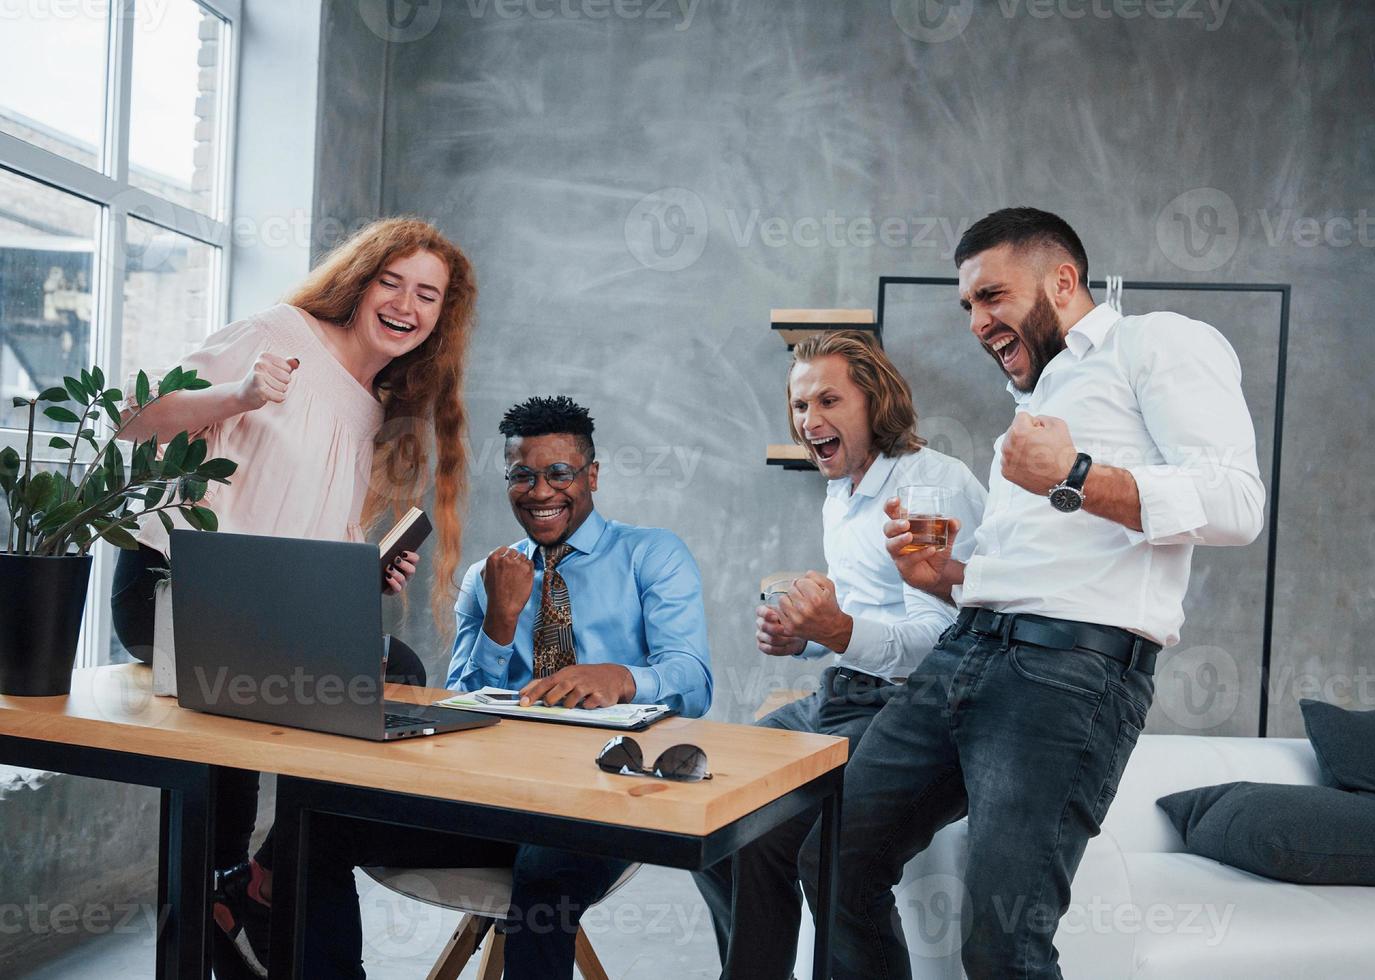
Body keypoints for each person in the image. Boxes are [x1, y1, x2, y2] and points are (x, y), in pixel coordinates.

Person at [796, 207, 1266, 978]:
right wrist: (943, 577)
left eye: (991, 296)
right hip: (965, 655)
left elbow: (1236, 504)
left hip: (1065, 681)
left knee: (1000, 942)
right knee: (833, 858)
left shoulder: (1156, 342)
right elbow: (1039, 574)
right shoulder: (1038, 400)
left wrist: (1075, 476)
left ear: (1062, 279)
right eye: (968, 307)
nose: (978, 322)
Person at [109, 217, 479, 978]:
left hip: (258, 608)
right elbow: (130, 418)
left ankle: (267, 874)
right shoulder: (279, 332)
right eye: (392, 281)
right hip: (170, 585)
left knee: (396, 664)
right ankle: (227, 891)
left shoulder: (372, 409)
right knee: (246, 711)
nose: (406, 304)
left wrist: (362, 572)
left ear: (442, 316)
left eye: (428, 295)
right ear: (360, 279)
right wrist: (238, 393)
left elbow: (304, 538)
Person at [265, 394, 713, 980]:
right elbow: (457, 703)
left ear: (592, 476)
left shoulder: (652, 555)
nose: (541, 491)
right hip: (491, 798)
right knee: (312, 826)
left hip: (597, 802)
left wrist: (623, 677)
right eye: (522, 476)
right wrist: (500, 624)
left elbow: (695, 682)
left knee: (544, 879)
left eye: (559, 473)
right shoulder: (487, 575)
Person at [692, 330, 986, 979]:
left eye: (828, 400)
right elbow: (860, 616)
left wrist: (836, 630)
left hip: (915, 709)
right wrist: (803, 641)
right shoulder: (841, 491)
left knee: (795, 853)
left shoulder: (932, 484)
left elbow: (946, 641)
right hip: (843, 693)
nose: (808, 420)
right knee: (712, 821)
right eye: (799, 406)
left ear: (874, 402)